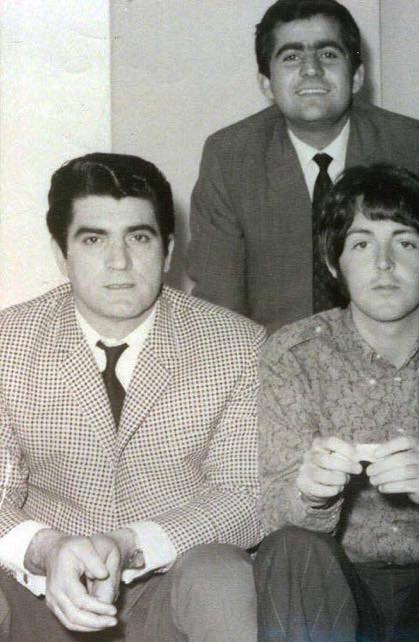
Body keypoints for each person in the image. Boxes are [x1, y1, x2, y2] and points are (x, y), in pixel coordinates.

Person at [0, 153, 263, 641]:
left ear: (168, 251)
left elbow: (246, 497)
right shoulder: (8, 342)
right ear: (61, 254)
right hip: (39, 594)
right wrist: (47, 550)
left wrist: (131, 545)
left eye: (139, 238)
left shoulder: (236, 345)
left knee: (222, 576)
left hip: (172, 587)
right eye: (93, 239)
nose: (119, 261)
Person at [255, 164, 419, 641]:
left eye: (405, 243)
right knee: (291, 547)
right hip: (335, 582)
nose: (383, 263)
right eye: (361, 244)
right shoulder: (293, 353)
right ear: (334, 264)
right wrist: (311, 494)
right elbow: (274, 509)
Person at [188, 0, 419, 333]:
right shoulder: (230, 157)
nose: (311, 69)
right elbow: (219, 305)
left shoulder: (411, 146)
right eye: (291, 57)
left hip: (396, 351)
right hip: (276, 354)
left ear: (357, 76)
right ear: (266, 84)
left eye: (328, 54)